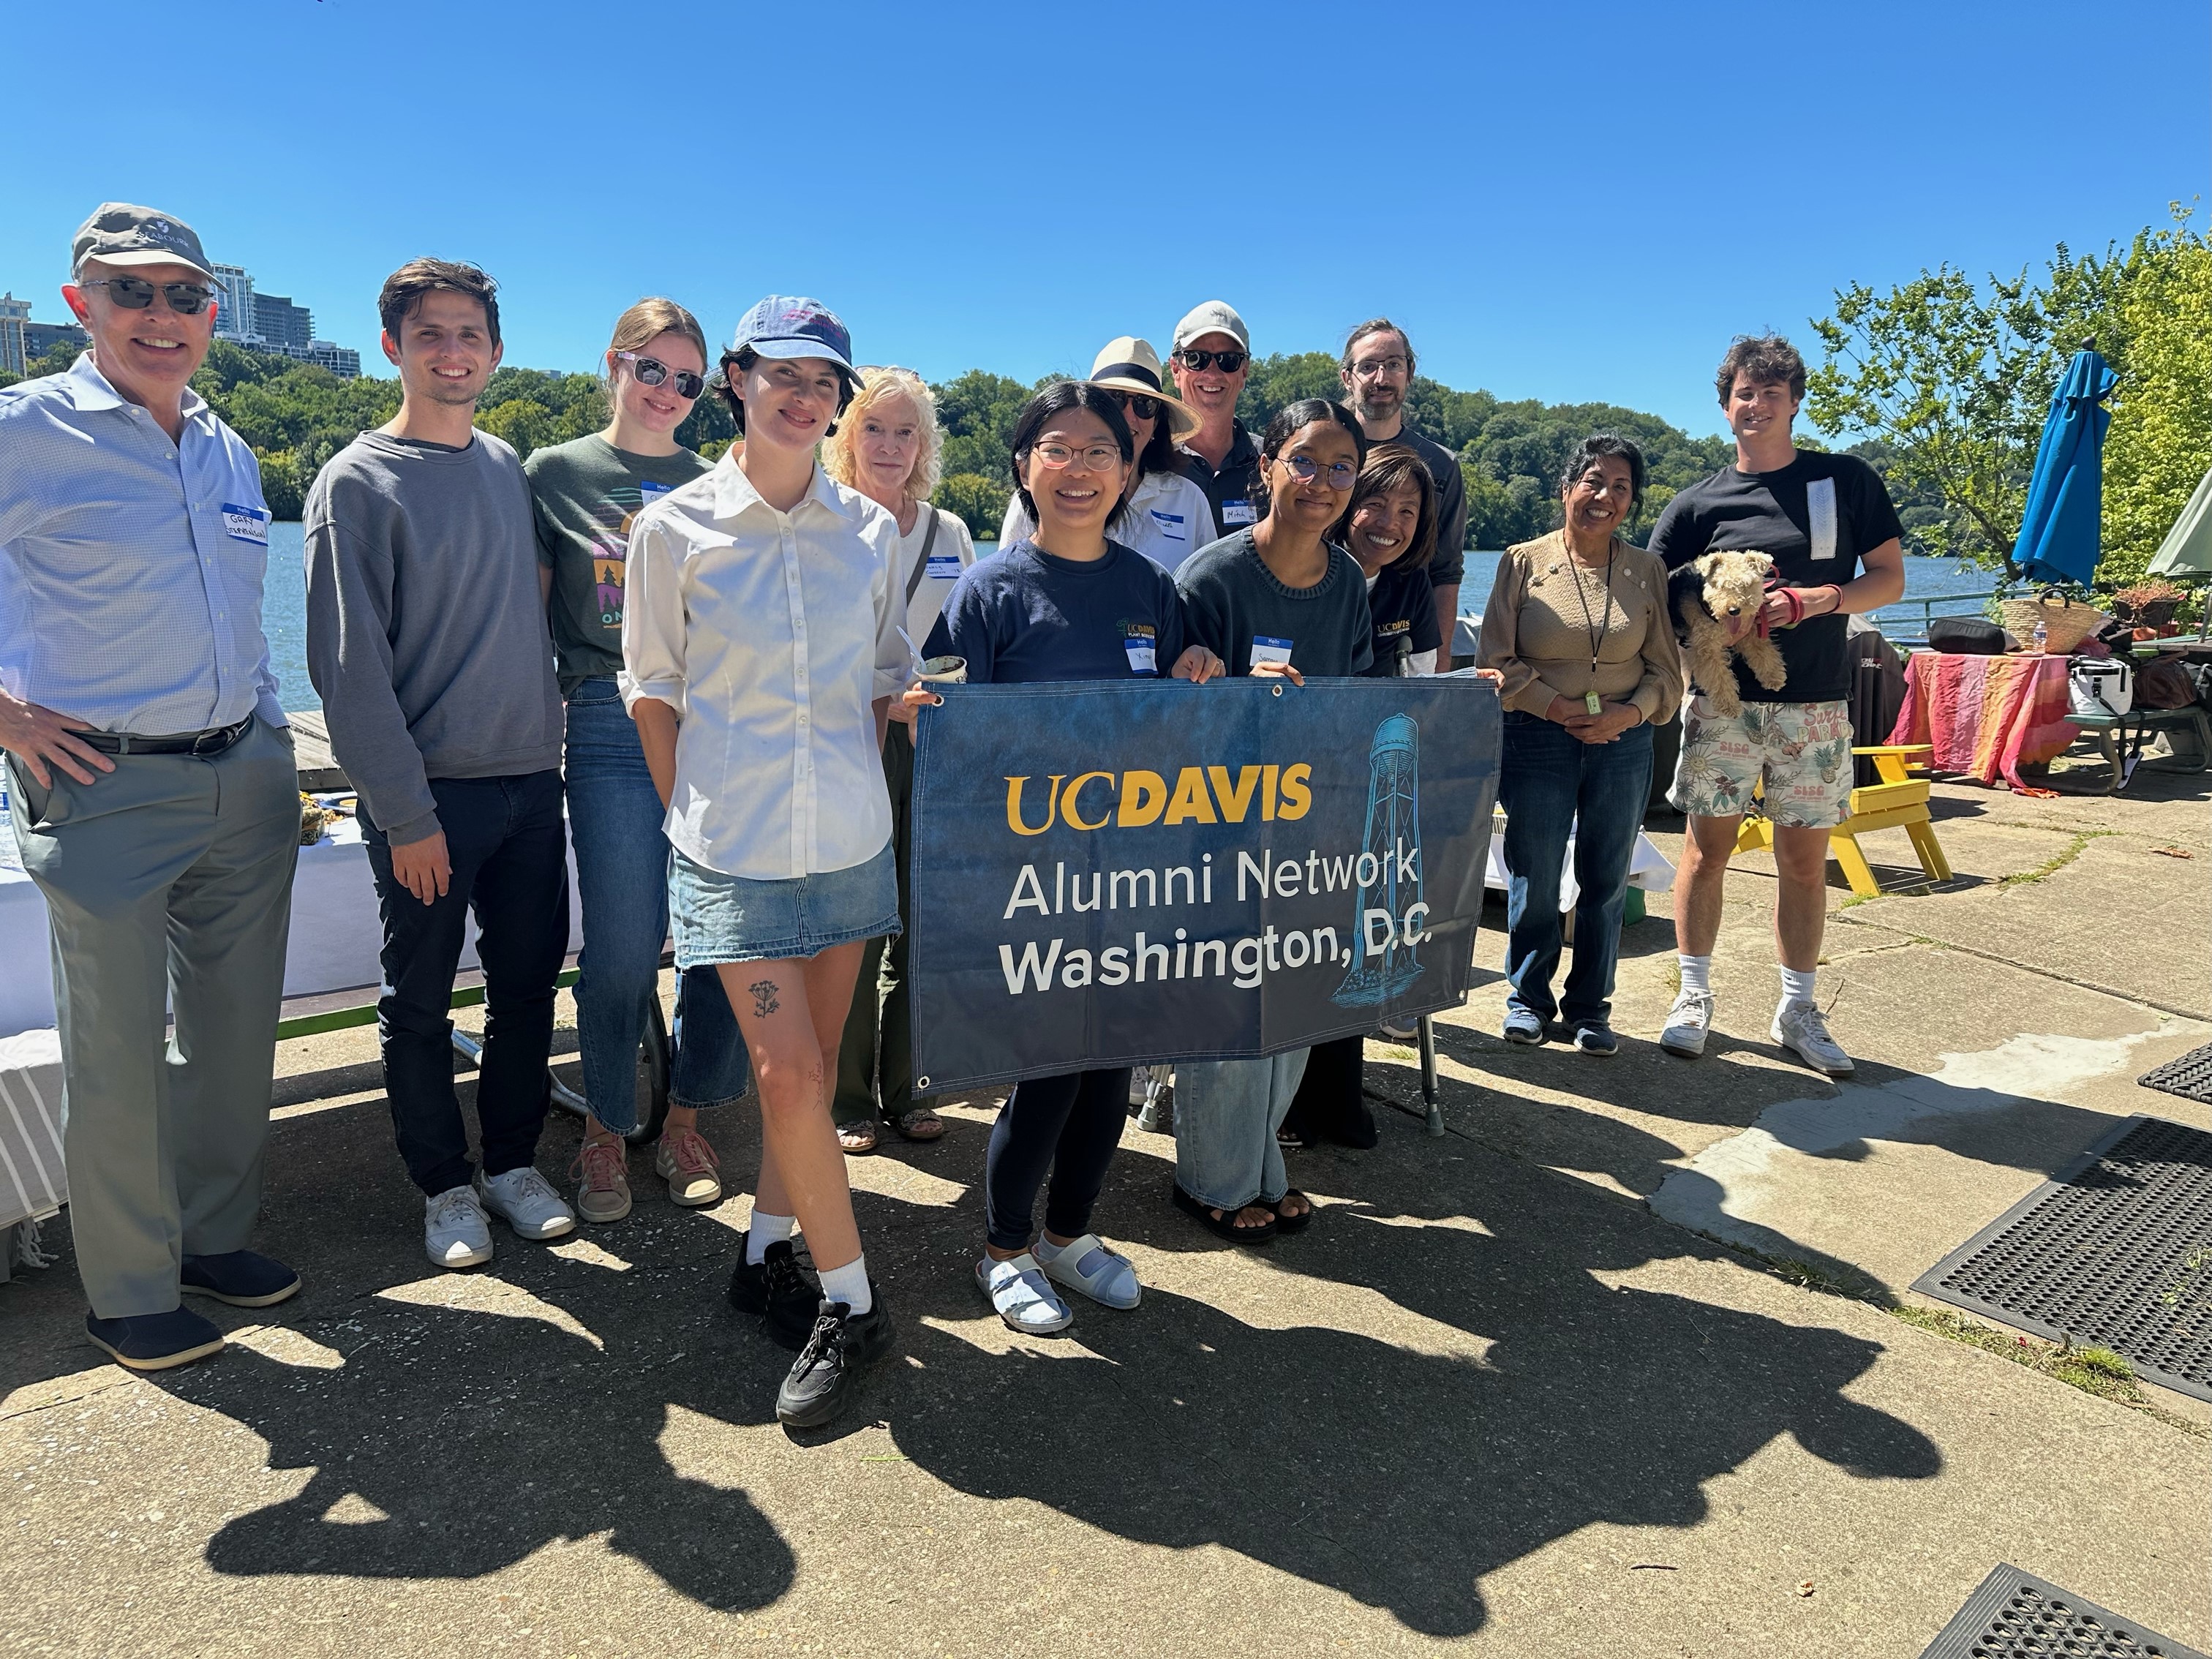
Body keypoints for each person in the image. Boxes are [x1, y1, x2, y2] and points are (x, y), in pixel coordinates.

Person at [0, 204, 301, 1372]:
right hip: (105, 786)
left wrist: (269, 726)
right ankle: (127, 1291)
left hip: (244, 772)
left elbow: (236, 612)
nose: (162, 316)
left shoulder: (226, 446)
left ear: (212, 313)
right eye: (134, 294)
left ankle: (213, 1240)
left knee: (234, 1042)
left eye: (185, 295)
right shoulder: (28, 431)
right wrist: (8, 717)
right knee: (117, 1053)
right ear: (82, 306)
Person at [622, 295, 905, 1429]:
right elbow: (651, 688)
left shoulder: (871, 534)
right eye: (783, 373)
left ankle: (765, 1256)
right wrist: (691, 818)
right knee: (785, 1081)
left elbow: (881, 679)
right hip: (734, 849)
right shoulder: (674, 528)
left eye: (825, 381)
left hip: (848, 840)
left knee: (819, 1066)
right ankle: (854, 1303)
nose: (805, 395)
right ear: (737, 379)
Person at [919, 382, 1223, 1331]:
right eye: (1058, 448)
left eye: (1100, 450)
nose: (1081, 467)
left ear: (1128, 470)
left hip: (1130, 871)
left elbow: (1185, 723)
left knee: (1111, 1068)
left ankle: (1067, 1237)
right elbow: (939, 729)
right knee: (1048, 1070)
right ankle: (1003, 1249)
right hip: (1030, 876)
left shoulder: (1150, 592)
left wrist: (1201, 678)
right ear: (1026, 467)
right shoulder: (988, 591)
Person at [306, 259, 576, 1269]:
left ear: (496, 351)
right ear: (394, 348)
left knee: (524, 990)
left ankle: (509, 1165)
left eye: (469, 334)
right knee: (418, 1002)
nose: (452, 351)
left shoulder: (509, 467)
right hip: (429, 800)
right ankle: (443, 1185)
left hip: (528, 782)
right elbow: (348, 671)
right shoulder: (355, 484)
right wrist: (405, 814)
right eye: (431, 334)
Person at [524, 298, 750, 1224]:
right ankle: (607, 1129)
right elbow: (532, 623)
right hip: (608, 721)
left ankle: (686, 1121)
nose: (667, 391)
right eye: (649, 368)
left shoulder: (722, 482)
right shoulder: (555, 474)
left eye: (687, 379)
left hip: (713, 727)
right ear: (614, 365)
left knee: (721, 940)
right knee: (621, 946)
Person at [1647, 336, 1906, 1076]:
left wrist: (1823, 597)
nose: (1754, 405)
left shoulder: (1843, 481)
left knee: (1802, 861)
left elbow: (1888, 579)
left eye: (1769, 392)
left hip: (1816, 704)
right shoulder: (1699, 502)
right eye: (1742, 394)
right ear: (1725, 406)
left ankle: (1798, 1009)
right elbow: (1652, 590)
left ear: (1794, 401)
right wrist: (1706, 618)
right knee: (1705, 851)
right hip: (1724, 705)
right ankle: (1693, 995)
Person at [1171, 399, 1372, 1242]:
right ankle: (1210, 1177)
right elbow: (1166, 721)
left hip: (1308, 832)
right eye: (1304, 461)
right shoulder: (1210, 579)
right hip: (1216, 827)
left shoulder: (1351, 581)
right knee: (1224, 1004)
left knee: (1290, 1000)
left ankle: (1263, 1165)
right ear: (1266, 466)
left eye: (1340, 468)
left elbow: (1360, 701)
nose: (1321, 482)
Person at [1477, 435, 1683, 1055]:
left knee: (1606, 878)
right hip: (1539, 737)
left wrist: (1629, 714)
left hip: (1622, 744)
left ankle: (1591, 1008)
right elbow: (1496, 662)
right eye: (1593, 482)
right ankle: (1528, 1000)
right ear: (1566, 490)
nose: (1605, 497)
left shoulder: (1647, 571)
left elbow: (1667, 675)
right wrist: (1557, 707)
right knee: (1534, 873)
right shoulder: (1522, 561)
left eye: (1621, 487)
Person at [821, 367, 974, 1154]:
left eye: (905, 431)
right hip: (855, 741)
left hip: (937, 744)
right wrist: (884, 704)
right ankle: (847, 1097)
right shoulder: (827, 522)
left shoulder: (950, 534)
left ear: (925, 444)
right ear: (848, 437)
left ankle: (913, 1083)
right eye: (873, 428)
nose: (889, 445)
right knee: (859, 922)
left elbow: (966, 643)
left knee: (927, 924)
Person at [1279, 443, 1445, 1151]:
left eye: (1408, 510)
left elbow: (1423, 685)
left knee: (1351, 933)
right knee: (1296, 939)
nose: (1389, 521)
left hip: (1372, 786)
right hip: (1293, 789)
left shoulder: (1409, 590)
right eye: (1376, 501)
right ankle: (1282, 1103)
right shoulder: (1312, 572)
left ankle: (1333, 1097)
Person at [998, 338, 1216, 573]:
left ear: (1156, 423)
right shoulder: (1043, 494)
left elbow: (1205, 592)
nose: (1128, 417)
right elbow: (1007, 579)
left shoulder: (1189, 499)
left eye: (1145, 404)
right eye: (1115, 399)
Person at [1339, 320, 1469, 663]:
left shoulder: (1441, 465)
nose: (1381, 378)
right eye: (1368, 366)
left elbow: (1446, 572)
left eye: (1393, 365)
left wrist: (1438, 674)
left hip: (1404, 641)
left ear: (1409, 373)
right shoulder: (1323, 452)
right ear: (1347, 377)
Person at [1167, 301, 1263, 541]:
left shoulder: (1273, 462)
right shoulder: (1147, 460)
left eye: (1228, 360)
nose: (1212, 373)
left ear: (1244, 372)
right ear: (1175, 370)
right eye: (1197, 358)